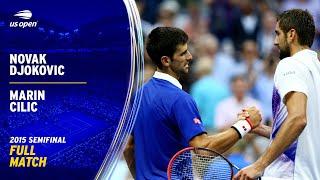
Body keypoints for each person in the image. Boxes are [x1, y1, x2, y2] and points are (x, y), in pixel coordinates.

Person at [123, 27, 262, 179]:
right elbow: (203, 149)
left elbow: (128, 147)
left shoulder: (139, 94)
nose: (190, 56)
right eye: (183, 53)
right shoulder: (180, 99)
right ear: (166, 60)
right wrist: (245, 125)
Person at [234, 9, 320, 180]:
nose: (274, 41)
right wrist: (262, 129)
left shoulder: (290, 64)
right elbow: (304, 132)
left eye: (277, 33)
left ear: (291, 34)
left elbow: (298, 119)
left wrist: (259, 165)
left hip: (287, 174)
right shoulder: (316, 68)